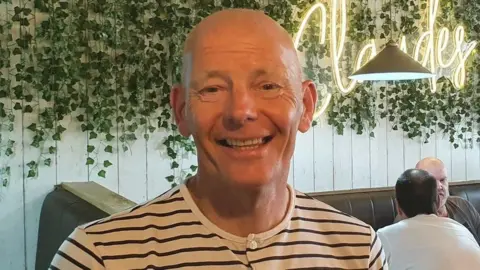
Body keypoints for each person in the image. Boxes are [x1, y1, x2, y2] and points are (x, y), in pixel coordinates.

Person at [50, 8, 386, 270]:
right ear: (181, 111)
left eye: (268, 86)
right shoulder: (99, 257)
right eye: (212, 89)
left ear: (306, 106)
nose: (240, 112)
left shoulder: (357, 250)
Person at [378, 169, 480, 269]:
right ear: (437, 202)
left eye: (442, 179)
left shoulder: (384, 236)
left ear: (398, 207)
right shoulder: (461, 229)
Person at [395, 157, 480, 243]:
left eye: (443, 180)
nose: (440, 186)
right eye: (432, 182)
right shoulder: (406, 218)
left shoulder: (462, 205)